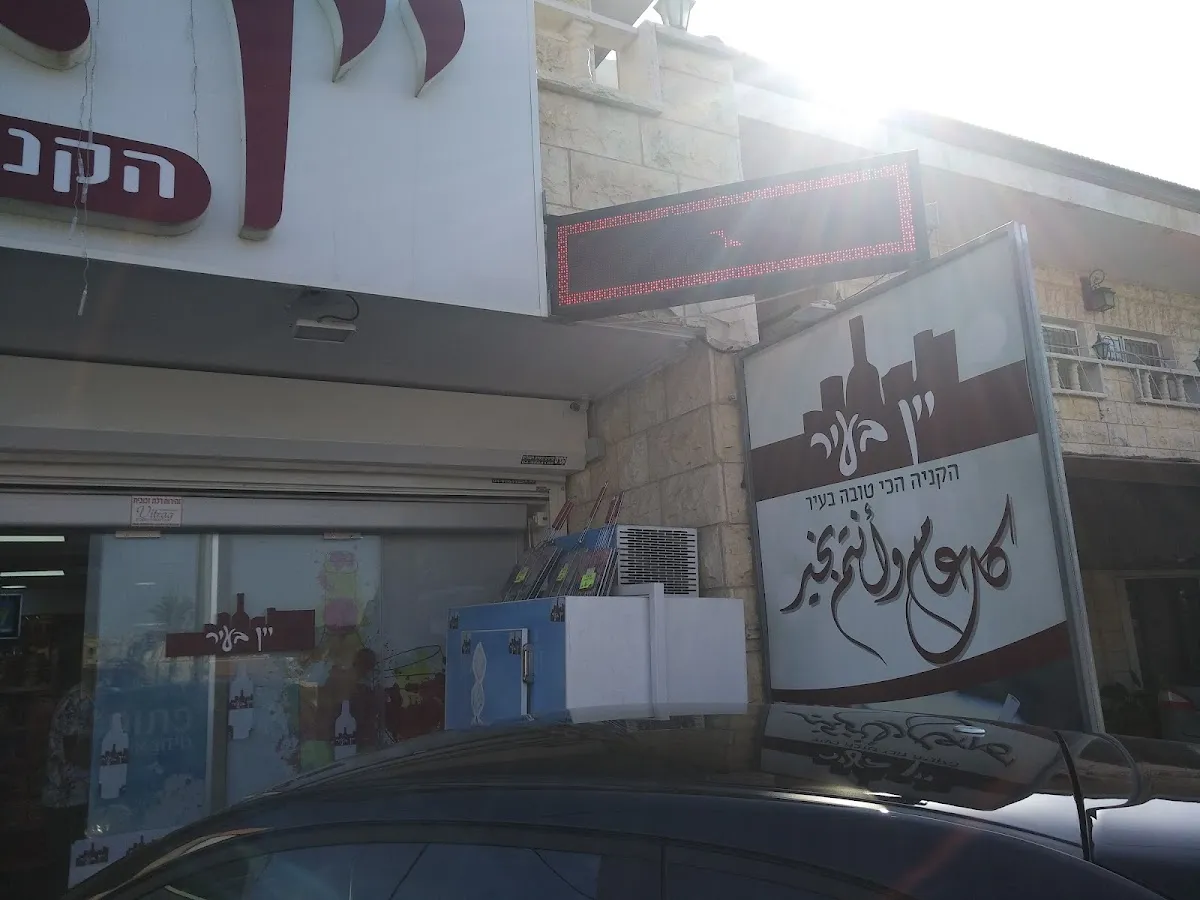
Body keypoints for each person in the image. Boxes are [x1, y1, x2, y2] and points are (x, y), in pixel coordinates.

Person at [42, 659, 93, 896]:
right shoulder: (78, 699)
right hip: (68, 802)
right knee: (69, 874)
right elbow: (76, 753)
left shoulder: (99, 696)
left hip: (87, 800)